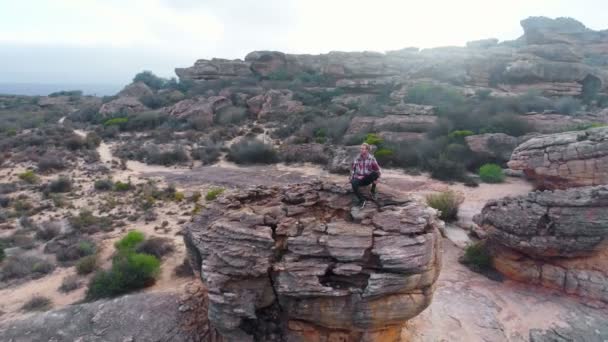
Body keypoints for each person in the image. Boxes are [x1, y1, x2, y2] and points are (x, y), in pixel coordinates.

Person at [350, 143, 381, 207]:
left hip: (368, 178)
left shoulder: (371, 159)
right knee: (353, 182)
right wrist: (356, 177)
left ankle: (373, 190)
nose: (361, 150)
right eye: (361, 148)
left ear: (367, 150)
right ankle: (362, 200)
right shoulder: (357, 159)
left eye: (363, 149)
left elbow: (377, 170)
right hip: (360, 178)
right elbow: (353, 170)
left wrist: (377, 178)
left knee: (375, 173)